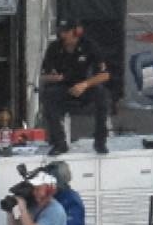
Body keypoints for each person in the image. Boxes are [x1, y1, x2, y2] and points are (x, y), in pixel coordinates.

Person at [40, 19, 111, 156]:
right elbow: (44, 75)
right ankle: (59, 143)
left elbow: (105, 75)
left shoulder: (89, 46)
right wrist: (54, 77)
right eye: (61, 32)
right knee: (48, 95)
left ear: (76, 32)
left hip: (84, 85)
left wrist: (84, 84)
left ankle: (100, 141)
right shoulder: (54, 47)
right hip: (63, 86)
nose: (63, 35)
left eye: (66, 32)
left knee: (102, 95)